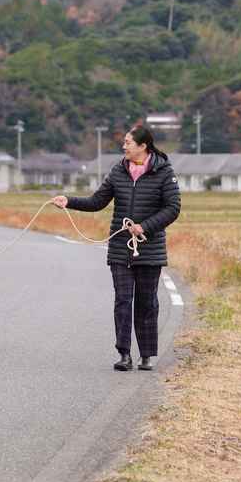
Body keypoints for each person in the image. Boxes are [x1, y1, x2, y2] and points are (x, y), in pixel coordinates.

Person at [51, 125, 181, 371]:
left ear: (143, 146)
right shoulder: (118, 171)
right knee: (123, 300)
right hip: (121, 247)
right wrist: (69, 201)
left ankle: (146, 355)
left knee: (146, 303)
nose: (124, 146)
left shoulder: (165, 173)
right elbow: (97, 201)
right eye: (124, 142)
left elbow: (173, 208)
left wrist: (145, 227)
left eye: (128, 142)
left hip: (149, 248)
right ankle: (124, 354)